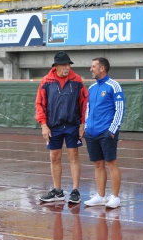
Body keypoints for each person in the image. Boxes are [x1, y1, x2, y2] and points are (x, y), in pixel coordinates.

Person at [35, 51, 88, 204]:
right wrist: (44, 125)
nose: (67, 67)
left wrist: (83, 124)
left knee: (73, 156)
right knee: (54, 157)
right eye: (64, 65)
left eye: (68, 64)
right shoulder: (46, 81)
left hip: (72, 125)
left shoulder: (77, 80)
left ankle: (75, 191)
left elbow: (84, 103)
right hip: (53, 126)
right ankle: (57, 191)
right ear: (56, 66)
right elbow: (40, 104)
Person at [84, 57, 125, 209]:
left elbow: (120, 109)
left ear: (102, 68)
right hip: (92, 132)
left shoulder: (113, 86)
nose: (91, 69)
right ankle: (101, 196)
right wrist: (87, 127)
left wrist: (112, 130)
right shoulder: (91, 88)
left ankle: (115, 197)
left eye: (93, 66)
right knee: (98, 164)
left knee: (111, 163)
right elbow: (88, 109)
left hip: (107, 132)